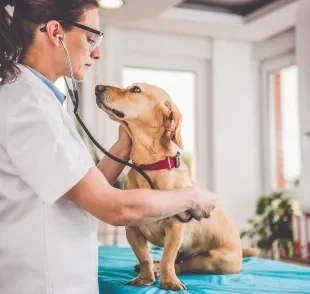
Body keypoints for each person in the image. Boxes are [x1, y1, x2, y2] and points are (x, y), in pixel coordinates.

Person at [0, 1, 217, 293]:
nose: (98, 53)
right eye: (92, 38)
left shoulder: (40, 101)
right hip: (43, 283)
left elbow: (79, 189)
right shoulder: (27, 107)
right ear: (55, 32)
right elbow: (114, 207)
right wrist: (191, 196)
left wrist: (123, 146)